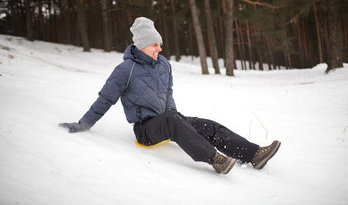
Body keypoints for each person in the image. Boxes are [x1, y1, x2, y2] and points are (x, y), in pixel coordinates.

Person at [59, 17, 281, 174]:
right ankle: (214, 158)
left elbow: (168, 92)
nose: (160, 48)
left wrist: (172, 110)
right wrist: (84, 124)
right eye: (155, 44)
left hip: (167, 119)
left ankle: (253, 154)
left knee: (207, 125)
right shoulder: (126, 70)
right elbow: (105, 99)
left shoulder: (163, 65)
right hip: (145, 130)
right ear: (143, 45)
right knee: (173, 119)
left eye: (160, 44)